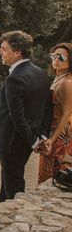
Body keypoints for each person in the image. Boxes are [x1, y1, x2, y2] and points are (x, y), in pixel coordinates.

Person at [0, 30, 52, 202]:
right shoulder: (40, 72)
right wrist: (41, 135)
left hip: (12, 141)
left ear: (17, 52)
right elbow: (47, 109)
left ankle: (14, 219)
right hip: (26, 139)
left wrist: (33, 141)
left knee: (14, 186)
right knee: (8, 179)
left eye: (4, 48)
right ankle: (0, 213)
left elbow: (17, 116)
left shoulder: (15, 79)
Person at [36, 43, 72, 184]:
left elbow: (67, 113)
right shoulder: (58, 78)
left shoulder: (67, 83)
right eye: (54, 56)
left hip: (61, 134)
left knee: (56, 176)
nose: (56, 59)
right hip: (52, 131)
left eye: (61, 57)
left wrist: (52, 139)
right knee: (47, 174)